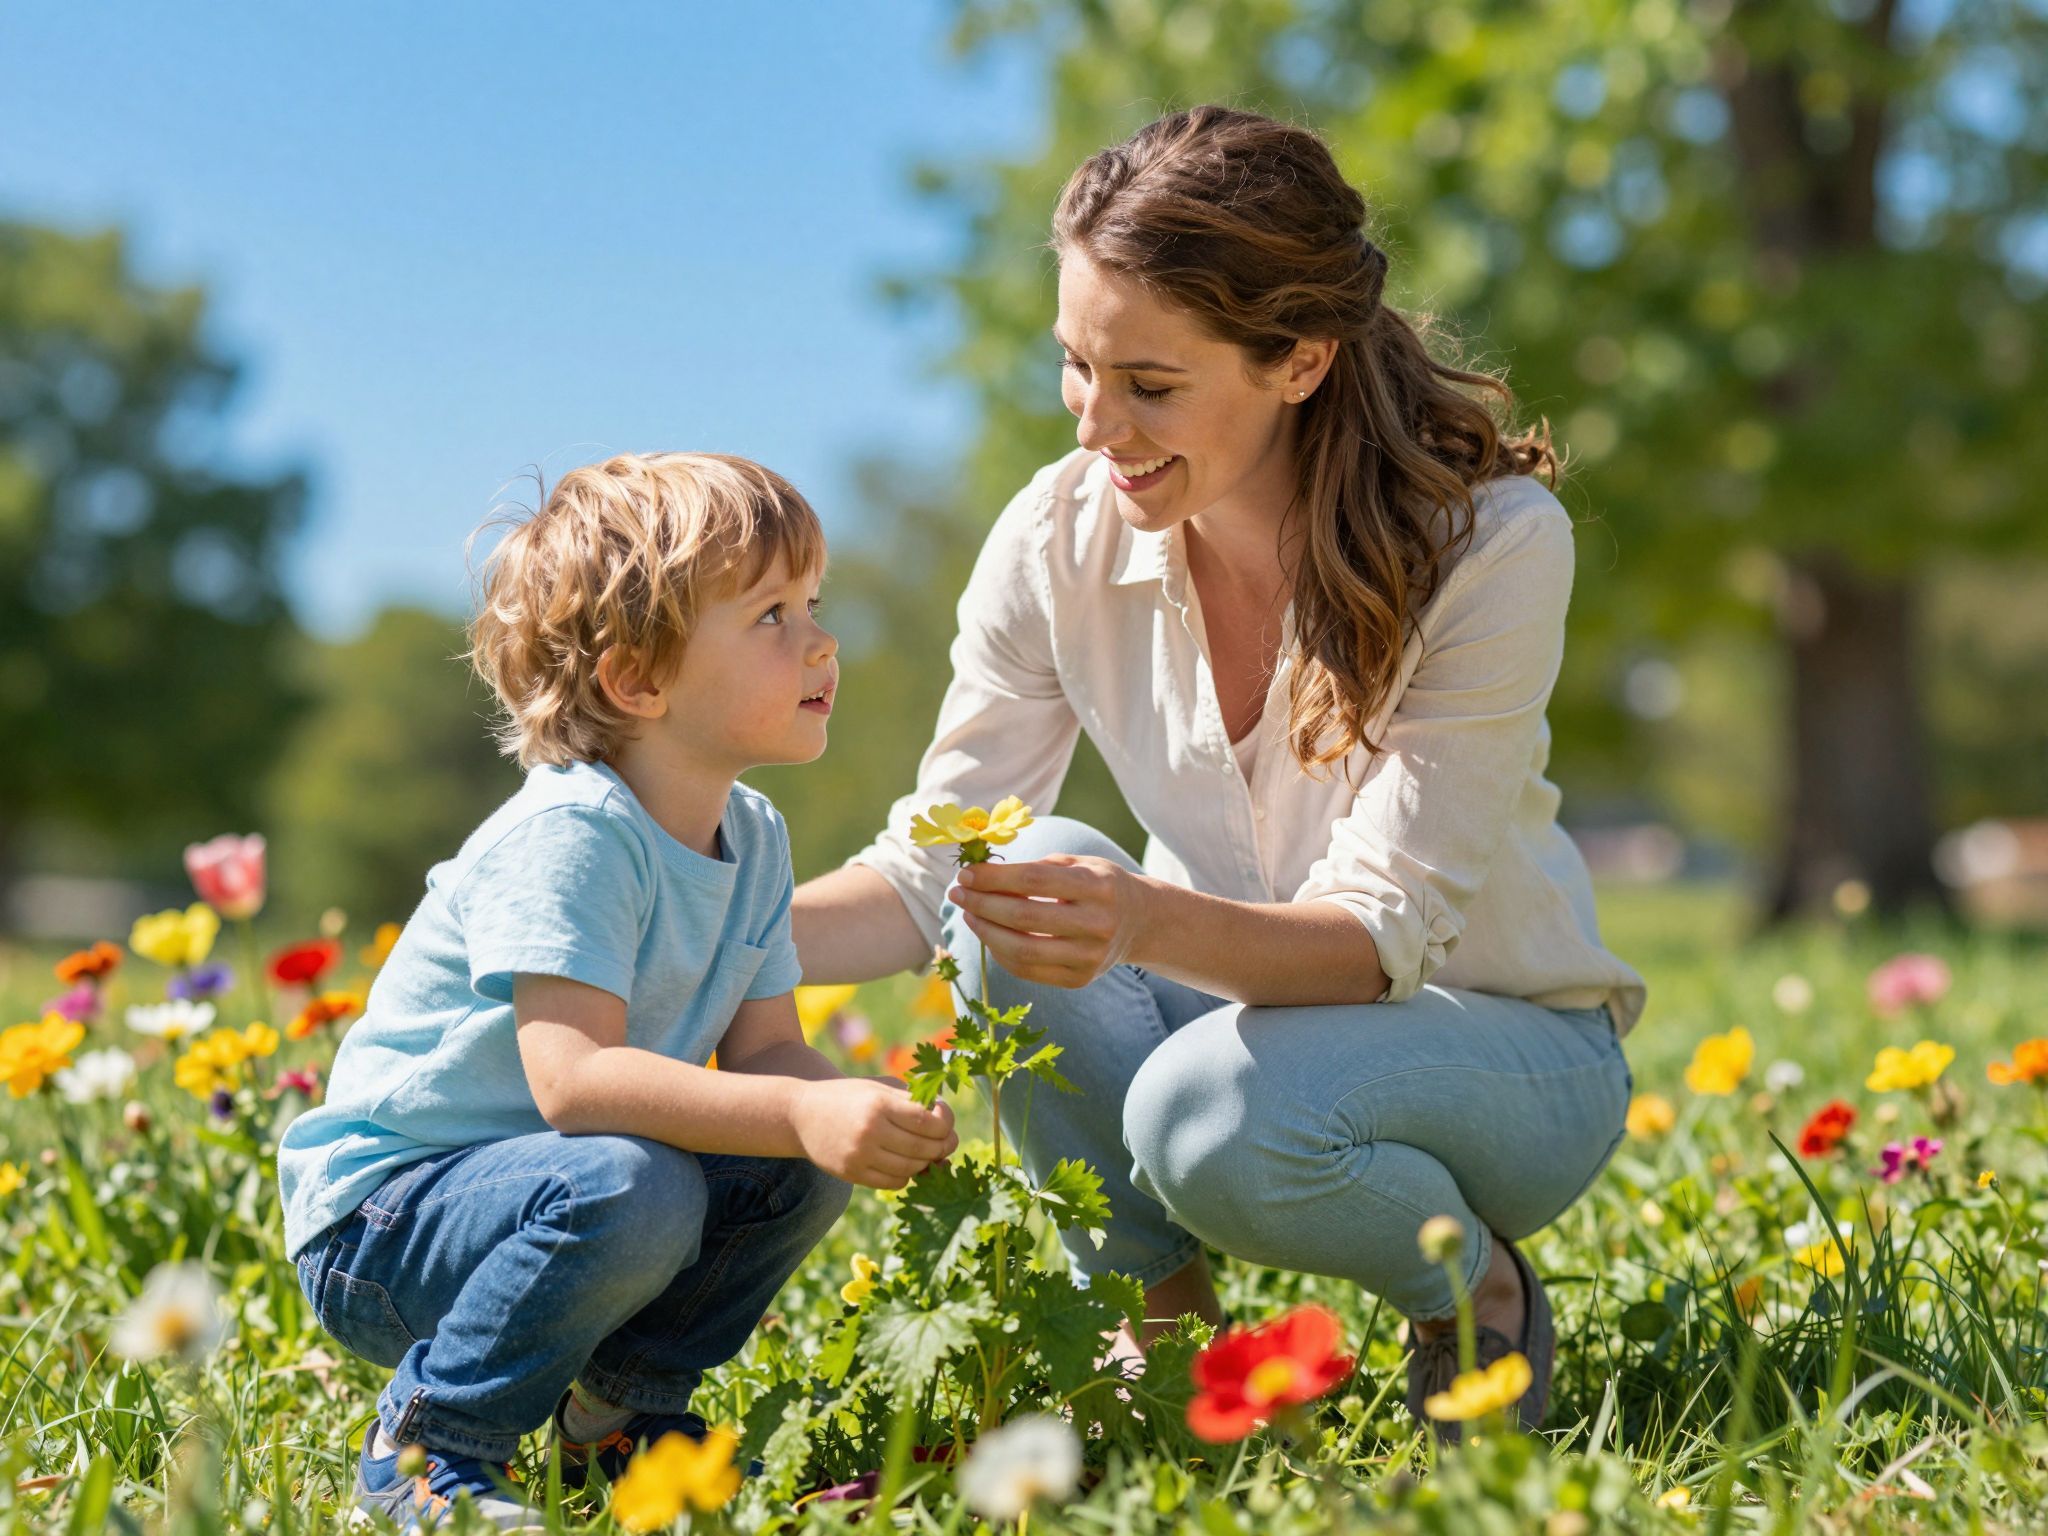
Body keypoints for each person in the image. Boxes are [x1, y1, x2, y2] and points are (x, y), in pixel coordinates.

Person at [793, 107, 1646, 1439]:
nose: (1093, 427)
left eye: (1149, 383)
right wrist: (686, 934)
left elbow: (1381, 938)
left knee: (1205, 1118)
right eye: (1075, 366)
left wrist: (1138, 922)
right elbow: (929, 859)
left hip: (1503, 1061)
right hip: (1239, 1035)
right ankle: (1166, 1341)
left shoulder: (1490, 545)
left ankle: (1474, 1293)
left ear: (1299, 359)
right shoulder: (1056, 540)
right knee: (1009, 880)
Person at [278, 452, 957, 1530]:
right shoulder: (572, 834)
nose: (823, 642)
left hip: (563, 1190)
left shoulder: (757, 838)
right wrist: (797, 1110)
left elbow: (770, 1054)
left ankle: (615, 1420)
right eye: (771, 616)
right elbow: (575, 1083)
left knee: (791, 1166)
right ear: (637, 680)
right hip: (387, 1222)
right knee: (636, 1183)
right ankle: (429, 1445)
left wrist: (840, 1109)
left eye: (812, 604)